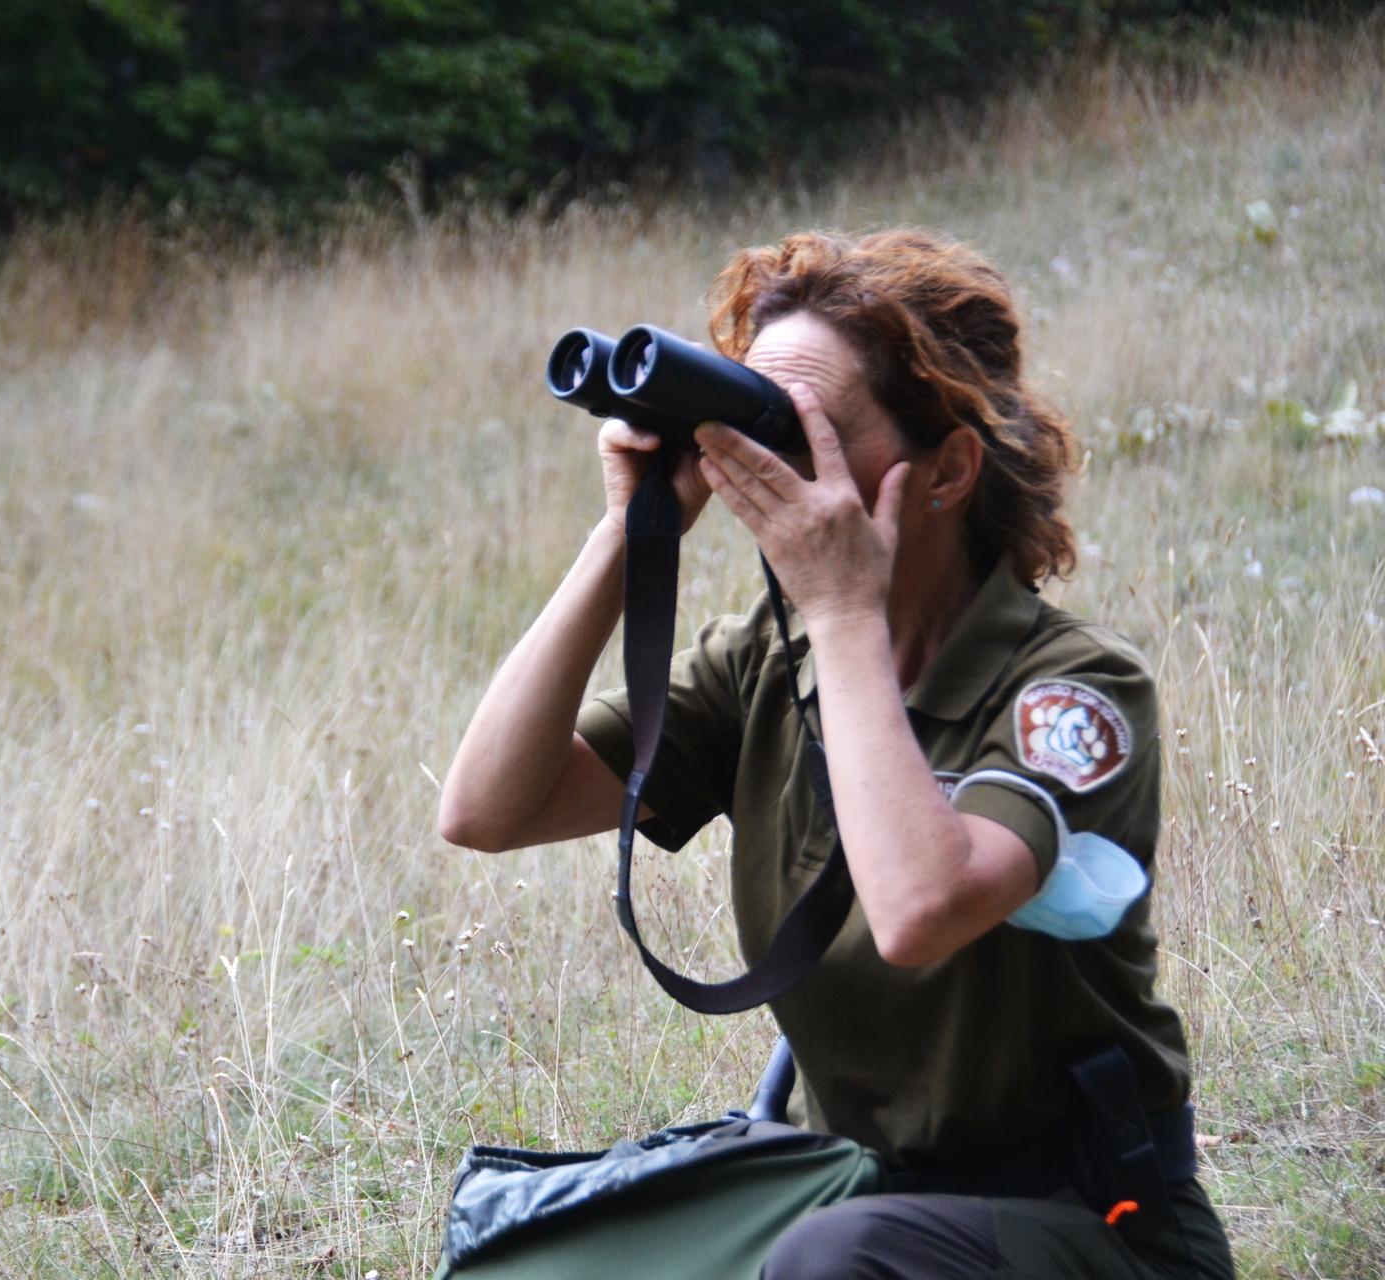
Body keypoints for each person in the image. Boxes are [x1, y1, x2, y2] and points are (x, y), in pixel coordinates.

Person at [436, 229, 1234, 1280]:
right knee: (531, 1256)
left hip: (1091, 1222)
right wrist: (628, 533)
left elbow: (918, 910)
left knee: (836, 1259)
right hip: (848, 1193)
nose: (766, 464)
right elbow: (487, 808)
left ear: (946, 468)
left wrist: (843, 606)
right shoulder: (769, 665)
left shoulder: (1073, 692)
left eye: (808, 431)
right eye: (755, 420)